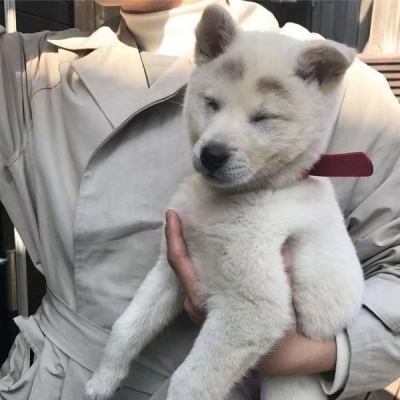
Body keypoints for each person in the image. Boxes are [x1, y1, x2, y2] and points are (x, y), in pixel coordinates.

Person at [0, 0, 399, 399]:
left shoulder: (347, 92)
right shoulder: (28, 69)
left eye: (262, 119)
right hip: (62, 381)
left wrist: (312, 353)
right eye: (210, 105)